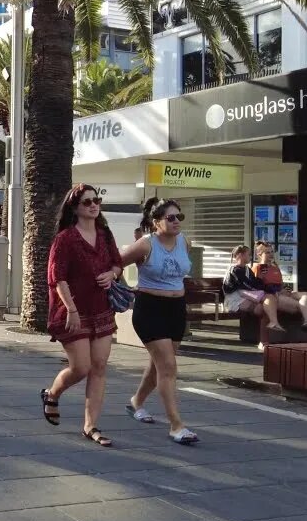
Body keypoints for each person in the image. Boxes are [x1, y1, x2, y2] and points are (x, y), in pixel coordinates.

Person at [40, 185, 123, 447]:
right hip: (72, 311)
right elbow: (57, 277)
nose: (93, 205)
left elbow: (117, 264)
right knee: (81, 367)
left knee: (99, 367)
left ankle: (90, 426)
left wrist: (113, 274)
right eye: (86, 202)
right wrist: (72, 310)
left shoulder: (105, 234)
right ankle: (52, 394)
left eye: (96, 200)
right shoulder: (65, 238)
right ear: (75, 207)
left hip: (101, 309)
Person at [121, 198, 199, 444]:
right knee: (168, 367)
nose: (177, 222)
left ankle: (136, 402)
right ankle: (176, 426)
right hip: (150, 308)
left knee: (159, 365)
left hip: (176, 308)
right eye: (171, 217)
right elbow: (115, 262)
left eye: (179, 217)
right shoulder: (145, 245)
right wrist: (115, 284)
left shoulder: (183, 241)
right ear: (156, 223)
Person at [252, 241, 307, 332]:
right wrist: (277, 291)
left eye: (272, 252)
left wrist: (286, 290)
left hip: (281, 292)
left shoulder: (275, 267)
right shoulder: (259, 267)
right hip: (273, 296)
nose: (271, 254)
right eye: (267, 252)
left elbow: (281, 284)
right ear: (259, 254)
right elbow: (258, 287)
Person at [223, 245, 279, 326]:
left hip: (245, 297)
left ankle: (268, 329)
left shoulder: (247, 269)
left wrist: (269, 287)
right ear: (240, 255)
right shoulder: (234, 270)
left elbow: (255, 282)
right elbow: (247, 285)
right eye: (248, 254)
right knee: (262, 307)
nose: (251, 257)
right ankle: (264, 330)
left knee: (268, 305)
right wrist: (266, 290)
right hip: (234, 301)